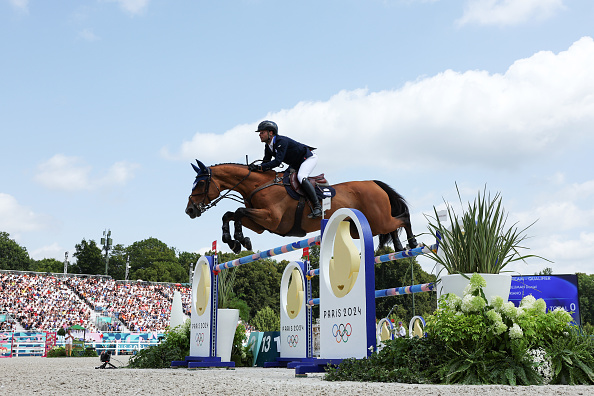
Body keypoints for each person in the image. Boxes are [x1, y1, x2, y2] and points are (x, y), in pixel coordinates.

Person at [249, 120, 322, 218]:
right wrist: (255, 169)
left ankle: (318, 207)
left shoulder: (281, 141)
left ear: (270, 133)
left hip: (308, 158)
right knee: (284, 179)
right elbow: (266, 162)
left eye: (262, 132)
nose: (260, 135)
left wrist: (260, 167)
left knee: (301, 177)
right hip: (296, 163)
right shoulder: (268, 146)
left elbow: (277, 162)